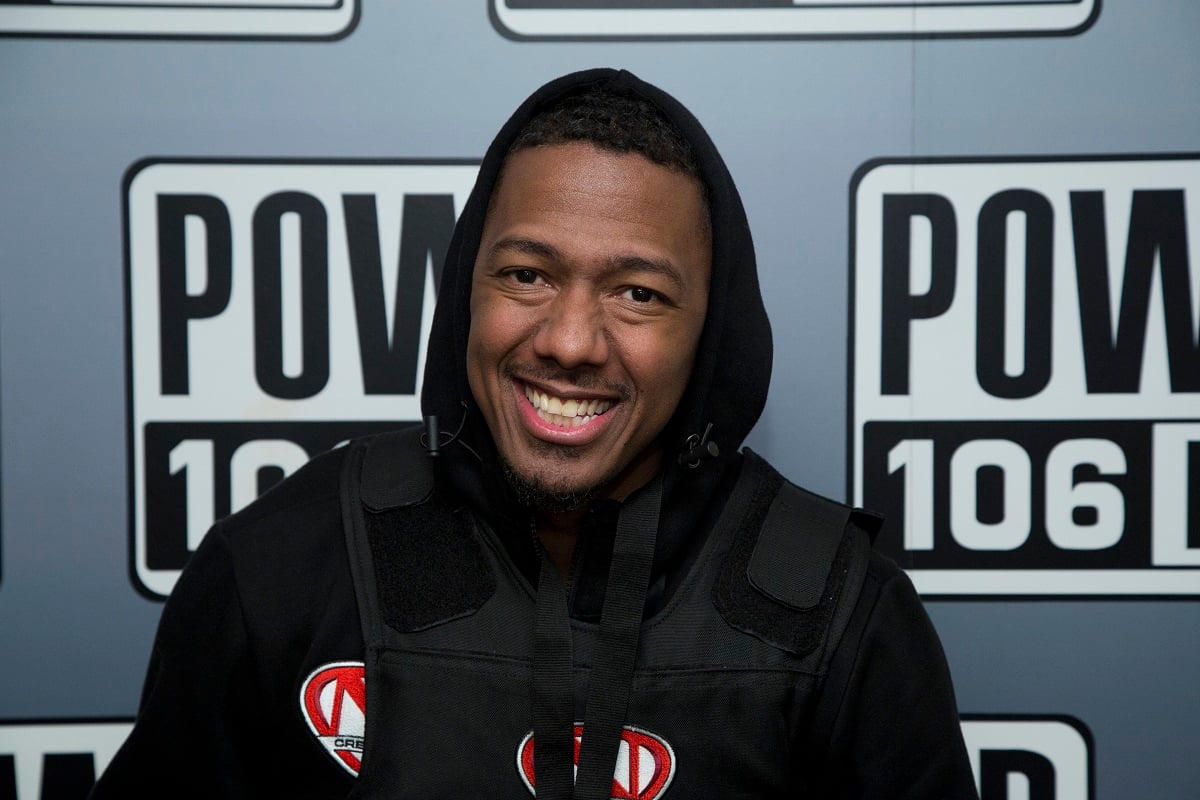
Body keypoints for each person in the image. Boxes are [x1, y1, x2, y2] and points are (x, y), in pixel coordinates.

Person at [92, 69, 978, 799]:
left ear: (708, 333)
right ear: (466, 288)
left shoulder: (838, 611)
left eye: (638, 293)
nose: (568, 342)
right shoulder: (286, 563)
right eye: (527, 273)